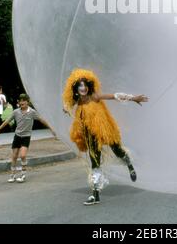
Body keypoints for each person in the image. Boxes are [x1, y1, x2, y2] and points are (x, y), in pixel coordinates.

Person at [62, 68, 148, 206]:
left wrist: (133, 98)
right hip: (90, 135)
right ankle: (95, 195)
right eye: (80, 86)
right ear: (75, 88)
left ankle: (129, 164)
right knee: (94, 162)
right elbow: (66, 105)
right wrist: (66, 108)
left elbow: (114, 96)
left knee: (118, 151)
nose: (83, 88)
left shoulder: (94, 97)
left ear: (89, 86)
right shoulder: (77, 101)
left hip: (105, 130)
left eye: (85, 85)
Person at [0, 93, 55, 183]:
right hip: (17, 136)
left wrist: (51, 129)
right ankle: (12, 175)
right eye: (20, 101)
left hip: (26, 137)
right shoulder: (16, 112)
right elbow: (7, 121)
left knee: (23, 155)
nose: (21, 103)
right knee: (14, 156)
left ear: (27, 102)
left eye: (23, 101)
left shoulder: (32, 112)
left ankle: (23, 174)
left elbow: (42, 120)